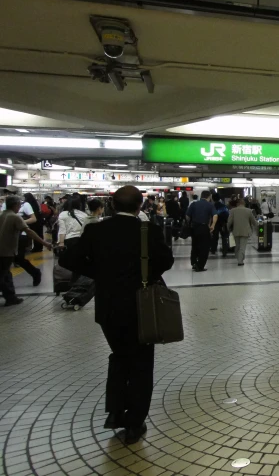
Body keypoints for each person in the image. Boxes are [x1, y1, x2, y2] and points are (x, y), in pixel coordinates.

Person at [60, 186, 174, 443]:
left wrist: (100, 271)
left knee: (119, 356)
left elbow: (69, 260)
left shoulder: (95, 231)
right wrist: (144, 274)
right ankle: (134, 422)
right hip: (142, 307)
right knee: (142, 363)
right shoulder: (148, 231)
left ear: (112, 205)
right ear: (140, 206)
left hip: (109, 307)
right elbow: (166, 261)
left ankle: (115, 412)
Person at [1, 196, 53, 306]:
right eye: (19, 205)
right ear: (15, 205)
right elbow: (29, 232)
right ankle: (11, 297)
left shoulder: (2, 214)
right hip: (7, 250)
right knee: (4, 274)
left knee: (6, 272)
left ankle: (11, 297)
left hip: (5, 249)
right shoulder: (15, 217)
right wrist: (45, 243)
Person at [185, 190, 217, 272]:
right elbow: (215, 215)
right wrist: (213, 225)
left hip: (194, 227)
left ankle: (194, 263)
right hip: (204, 227)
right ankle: (200, 266)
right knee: (204, 247)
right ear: (209, 197)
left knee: (195, 245)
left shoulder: (194, 204)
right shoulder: (210, 205)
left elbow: (187, 216)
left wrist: (189, 224)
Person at [227, 197, 258, 266]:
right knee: (242, 247)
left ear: (238, 204)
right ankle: (240, 261)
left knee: (237, 246)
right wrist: (257, 227)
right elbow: (254, 221)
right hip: (245, 231)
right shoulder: (249, 211)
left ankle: (238, 258)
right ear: (244, 204)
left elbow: (229, 221)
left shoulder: (233, 210)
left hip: (236, 231)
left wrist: (228, 228)